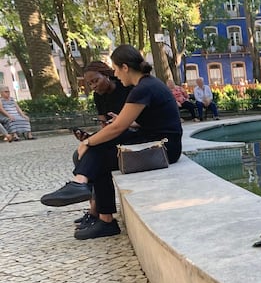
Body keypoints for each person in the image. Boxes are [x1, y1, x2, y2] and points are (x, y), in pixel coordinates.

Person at [40, 45, 183, 240]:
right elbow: (145, 122)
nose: (115, 73)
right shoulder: (148, 84)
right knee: (99, 150)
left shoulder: (142, 88)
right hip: (155, 141)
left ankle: (97, 207)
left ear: (125, 67)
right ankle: (84, 189)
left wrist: (87, 142)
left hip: (164, 150)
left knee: (99, 155)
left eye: (115, 69)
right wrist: (113, 127)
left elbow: (117, 128)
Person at [73, 61, 134, 230]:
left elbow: (130, 123)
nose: (93, 86)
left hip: (130, 135)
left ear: (106, 75)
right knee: (80, 154)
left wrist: (117, 124)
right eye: (90, 83)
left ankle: (99, 212)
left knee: (97, 157)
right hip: (113, 134)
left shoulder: (125, 88)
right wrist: (89, 137)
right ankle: (96, 210)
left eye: (95, 81)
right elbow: (104, 125)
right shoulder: (98, 96)